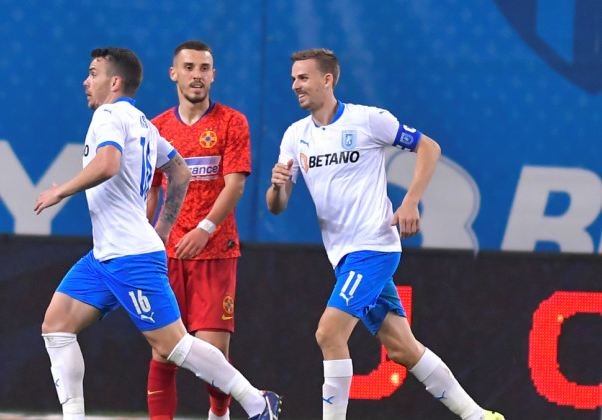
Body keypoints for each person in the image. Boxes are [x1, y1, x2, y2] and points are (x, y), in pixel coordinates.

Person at [35, 47, 280, 420]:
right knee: (56, 325)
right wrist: (163, 228)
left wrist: (60, 190)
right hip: (104, 256)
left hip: (130, 256)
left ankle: (257, 402)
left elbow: (108, 163)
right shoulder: (145, 124)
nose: (86, 81)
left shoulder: (108, 115)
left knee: (174, 346)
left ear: (114, 82)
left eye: (93, 73)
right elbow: (179, 171)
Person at [265, 48, 504, 420]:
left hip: (374, 248)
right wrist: (278, 186)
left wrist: (410, 202)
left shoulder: (367, 120)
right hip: (343, 257)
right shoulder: (295, 136)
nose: (295, 85)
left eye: (303, 78)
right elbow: (276, 206)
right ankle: (479, 416)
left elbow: (429, 147)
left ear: (327, 80)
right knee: (401, 348)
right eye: (293, 78)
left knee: (329, 333)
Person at [145, 40, 251, 420]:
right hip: (167, 255)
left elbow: (235, 184)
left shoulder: (231, 122)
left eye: (204, 68)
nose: (197, 75)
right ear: (174, 73)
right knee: (164, 350)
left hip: (215, 251)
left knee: (212, 352)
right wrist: (147, 240)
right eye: (189, 67)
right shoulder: (156, 128)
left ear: (213, 75)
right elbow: (153, 191)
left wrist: (204, 229)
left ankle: (219, 414)